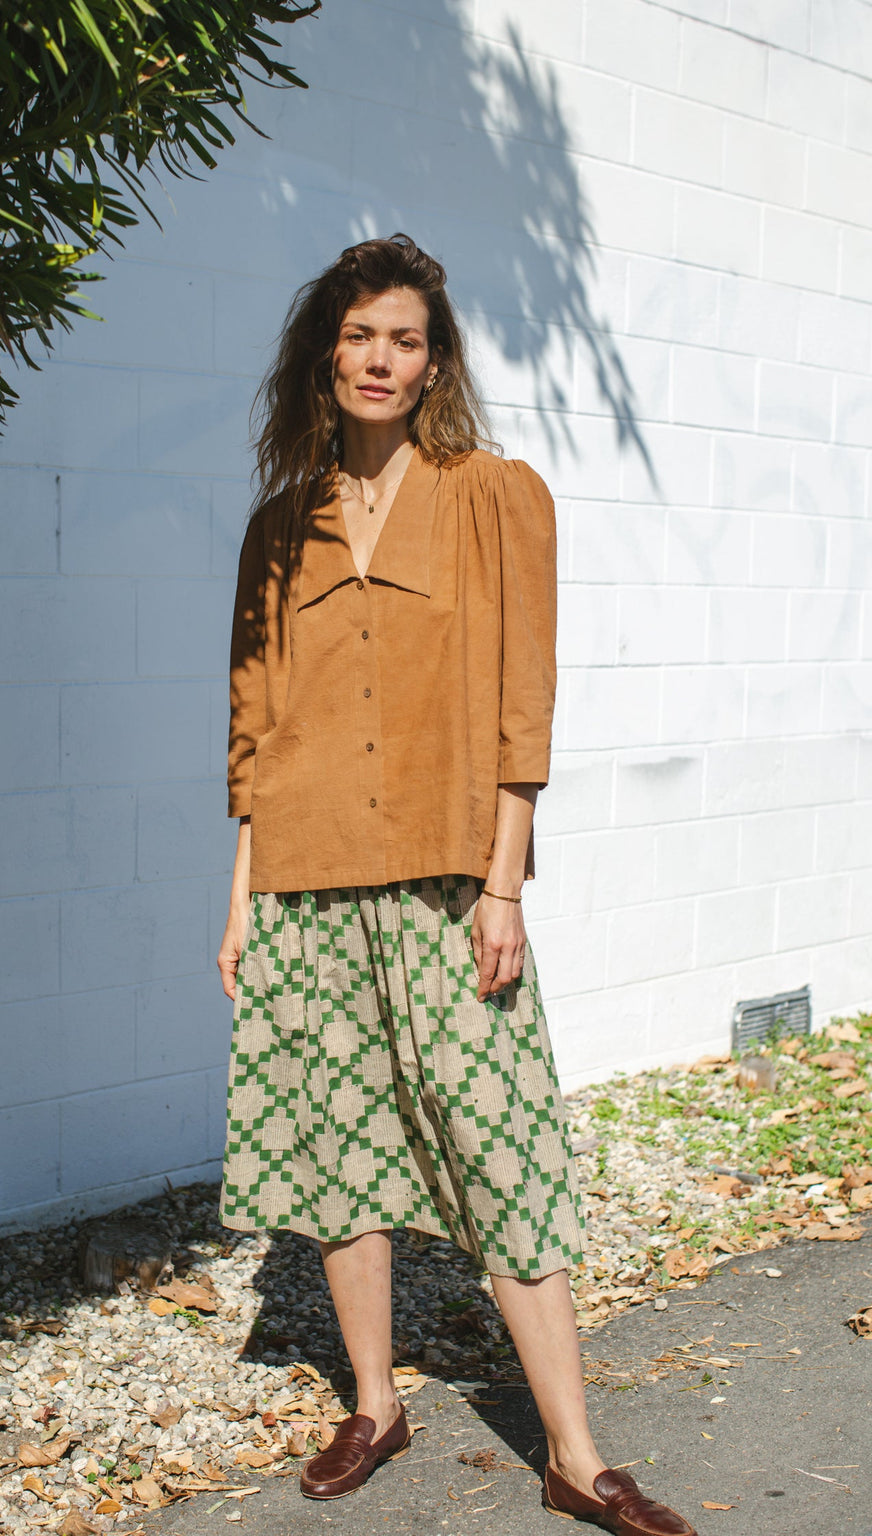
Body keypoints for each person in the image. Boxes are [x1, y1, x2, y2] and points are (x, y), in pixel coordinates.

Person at [216, 234, 695, 1536]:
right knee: (341, 1153)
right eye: (362, 334)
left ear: (436, 362)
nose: (383, 358)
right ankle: (374, 1401)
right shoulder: (280, 526)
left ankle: (578, 1454)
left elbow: (523, 701)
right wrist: (243, 893)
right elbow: (258, 720)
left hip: (445, 879)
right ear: (329, 350)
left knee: (504, 1147)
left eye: (407, 338)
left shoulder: (494, 497)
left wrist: (504, 884)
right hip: (309, 883)